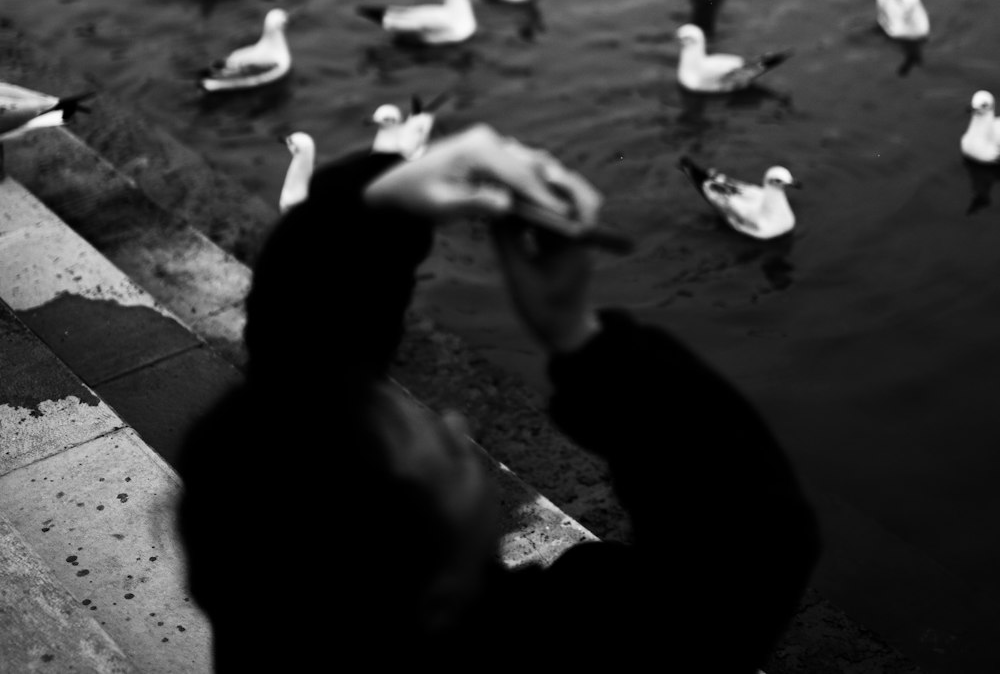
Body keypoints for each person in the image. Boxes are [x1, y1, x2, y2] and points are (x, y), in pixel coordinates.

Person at [176, 126, 820, 671]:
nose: (455, 425)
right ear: (439, 595)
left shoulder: (269, 627)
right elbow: (755, 535)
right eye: (445, 459)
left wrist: (376, 209)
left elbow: (297, 368)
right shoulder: (575, 644)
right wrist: (580, 337)